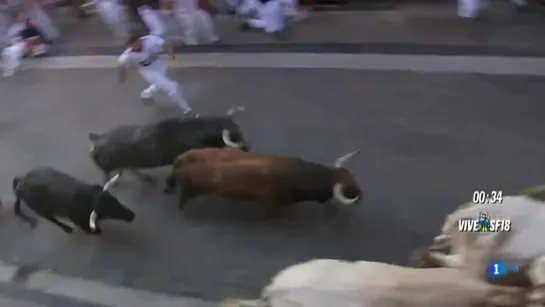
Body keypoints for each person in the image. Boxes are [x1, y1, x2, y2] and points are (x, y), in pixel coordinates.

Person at [118, 33, 193, 115]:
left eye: (134, 43)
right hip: (148, 72)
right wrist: (123, 81)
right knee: (173, 87)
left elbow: (168, 44)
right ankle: (187, 110)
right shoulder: (127, 56)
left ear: (139, 40)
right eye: (130, 45)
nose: (133, 46)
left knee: (163, 83)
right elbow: (122, 67)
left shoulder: (150, 40)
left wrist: (172, 59)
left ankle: (146, 94)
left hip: (160, 65)